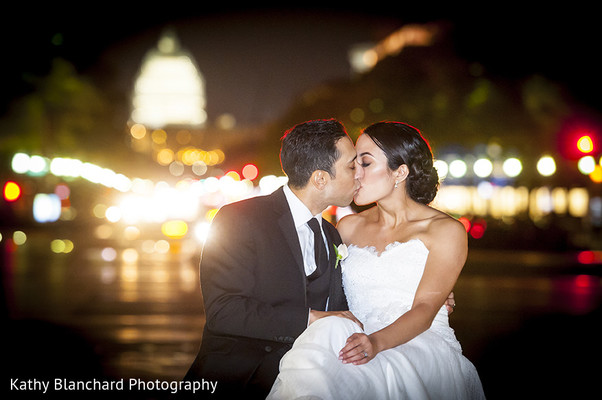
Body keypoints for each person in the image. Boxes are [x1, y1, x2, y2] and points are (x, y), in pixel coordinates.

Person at [268, 122, 485, 399]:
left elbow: (425, 307)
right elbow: (324, 289)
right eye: (353, 163)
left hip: (417, 345)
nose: (356, 173)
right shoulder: (347, 227)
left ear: (400, 172)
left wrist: (375, 342)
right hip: (354, 337)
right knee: (320, 352)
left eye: (366, 163)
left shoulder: (445, 230)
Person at [183, 119, 363, 399]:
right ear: (320, 178)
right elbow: (224, 311)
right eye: (352, 166)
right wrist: (311, 318)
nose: (359, 175)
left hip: (313, 382)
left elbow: (345, 307)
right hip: (241, 381)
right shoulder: (238, 219)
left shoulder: (332, 236)